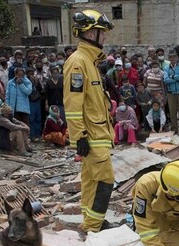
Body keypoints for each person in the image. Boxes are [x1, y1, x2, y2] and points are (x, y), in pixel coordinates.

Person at [64, 10, 116, 234]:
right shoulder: (78, 62)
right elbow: (73, 105)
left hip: (98, 134)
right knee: (105, 181)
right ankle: (95, 227)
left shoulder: (90, 61)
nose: (104, 37)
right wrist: (79, 137)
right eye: (101, 33)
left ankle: (89, 221)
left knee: (90, 181)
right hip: (92, 136)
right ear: (90, 33)